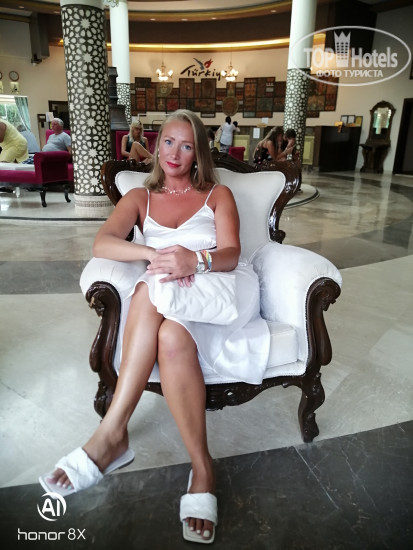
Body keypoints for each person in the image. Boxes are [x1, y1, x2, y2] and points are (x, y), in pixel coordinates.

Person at [39, 109, 270, 544]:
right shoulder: (139, 198)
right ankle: (202, 467)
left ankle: (112, 434)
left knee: (148, 290)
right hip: (171, 296)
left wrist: (193, 259)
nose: (175, 153)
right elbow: (103, 242)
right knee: (168, 330)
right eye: (168, 142)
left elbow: (231, 254)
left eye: (186, 145)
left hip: (219, 287)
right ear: (156, 144)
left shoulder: (217, 193)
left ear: (198, 152)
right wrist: (152, 255)